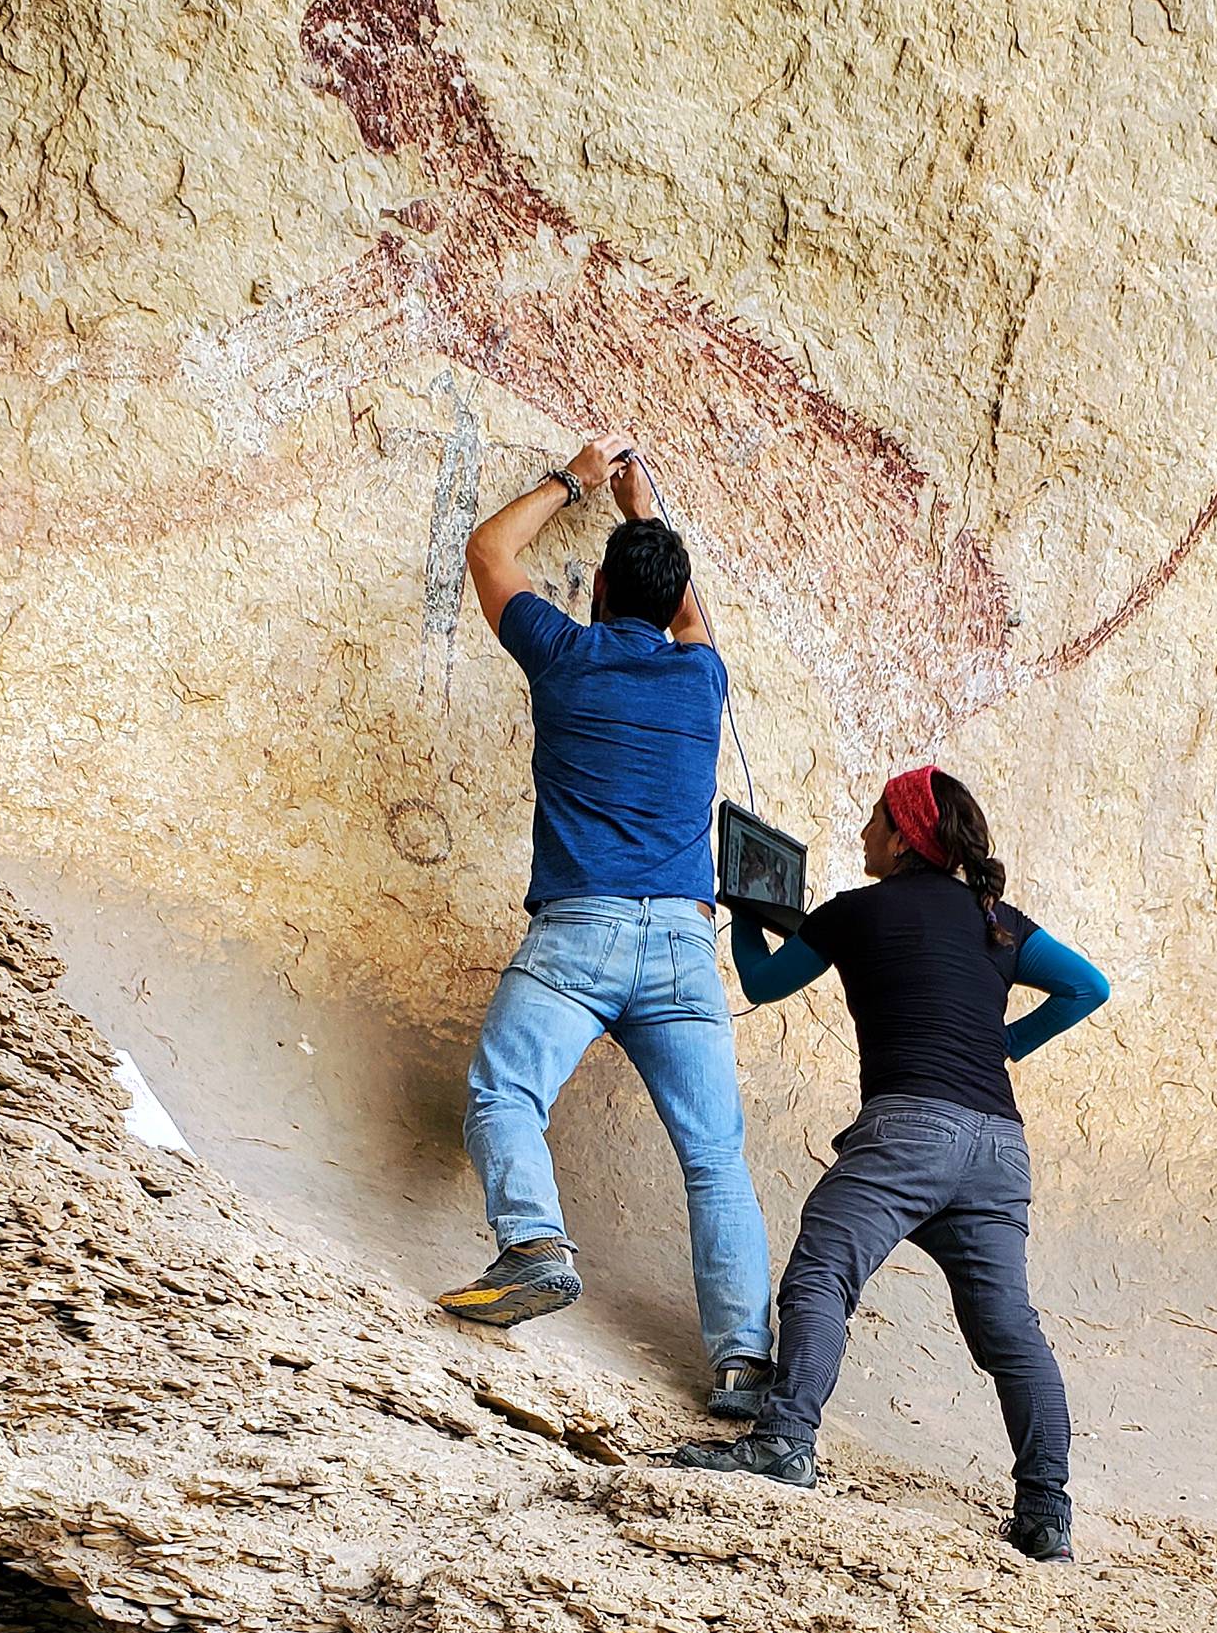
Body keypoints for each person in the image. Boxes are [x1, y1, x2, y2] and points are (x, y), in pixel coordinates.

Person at [668, 765, 1107, 1559]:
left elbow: (763, 983)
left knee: (822, 1272)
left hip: (910, 1131)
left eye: (876, 820)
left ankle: (783, 1442)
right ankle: (1046, 1516)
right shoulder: (996, 920)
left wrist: (740, 911)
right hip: (1000, 1149)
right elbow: (1088, 988)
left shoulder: (854, 913)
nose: (867, 833)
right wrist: (1005, 1045)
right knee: (1009, 1328)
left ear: (906, 836)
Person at [435, 440, 775, 1422]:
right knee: (715, 1158)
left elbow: (487, 552)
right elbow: (692, 618)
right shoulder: (699, 682)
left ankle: (536, 1244)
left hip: (577, 935)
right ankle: (743, 1363)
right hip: (681, 946)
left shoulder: (566, 653)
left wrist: (572, 481)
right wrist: (643, 507)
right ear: (672, 605)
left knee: (505, 1093)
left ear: (594, 593)